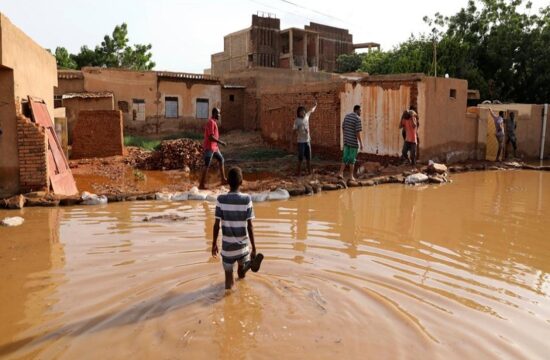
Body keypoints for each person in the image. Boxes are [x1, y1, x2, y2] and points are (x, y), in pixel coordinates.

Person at [212, 167, 264, 290]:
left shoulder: (221, 199)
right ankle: (247, 265)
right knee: (241, 275)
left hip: (228, 249)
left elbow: (216, 225)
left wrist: (214, 243)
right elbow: (250, 226)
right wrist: (254, 248)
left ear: (227, 182)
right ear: (241, 182)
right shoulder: (247, 199)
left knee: (229, 283)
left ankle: (229, 303)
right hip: (243, 248)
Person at [199, 108, 226, 189]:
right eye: (218, 113)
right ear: (214, 113)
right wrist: (221, 142)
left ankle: (223, 179)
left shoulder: (213, 122)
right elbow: (210, 137)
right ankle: (201, 184)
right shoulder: (211, 122)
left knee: (221, 160)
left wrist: (217, 144)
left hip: (214, 147)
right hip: (210, 147)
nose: (219, 115)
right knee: (207, 164)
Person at [338, 105, 364, 180]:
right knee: (352, 160)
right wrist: (361, 143)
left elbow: (343, 128)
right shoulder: (357, 118)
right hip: (353, 143)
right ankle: (351, 176)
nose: (361, 112)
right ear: (357, 110)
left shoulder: (347, 116)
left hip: (346, 141)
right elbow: (357, 132)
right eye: (360, 111)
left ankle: (340, 173)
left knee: (345, 158)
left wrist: (345, 138)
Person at [291, 102, 317, 176]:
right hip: (301, 142)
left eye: (303, 111)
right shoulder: (297, 121)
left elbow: (312, 110)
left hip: (307, 141)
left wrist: (315, 105)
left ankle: (309, 172)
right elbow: (293, 131)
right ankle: (298, 173)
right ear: (298, 113)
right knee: (301, 158)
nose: (302, 113)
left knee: (309, 158)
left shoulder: (307, 116)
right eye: (301, 112)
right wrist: (291, 143)